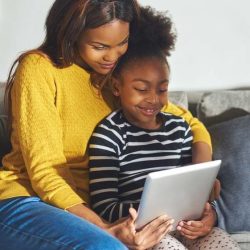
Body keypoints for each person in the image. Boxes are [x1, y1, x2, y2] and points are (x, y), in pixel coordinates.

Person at [0, 0, 214, 249]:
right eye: (99, 46)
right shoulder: (39, 69)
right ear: (72, 34)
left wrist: (200, 188)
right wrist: (105, 228)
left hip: (88, 211)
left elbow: (192, 124)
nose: (112, 57)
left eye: (122, 43)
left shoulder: (117, 78)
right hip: (27, 200)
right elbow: (45, 172)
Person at [89, 6, 240, 250]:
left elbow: (194, 189)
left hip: (184, 226)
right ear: (117, 87)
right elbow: (103, 205)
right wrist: (147, 211)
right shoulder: (109, 135)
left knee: (223, 243)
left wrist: (207, 213)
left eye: (162, 89)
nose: (153, 99)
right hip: (145, 232)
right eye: (141, 89)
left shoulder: (179, 129)